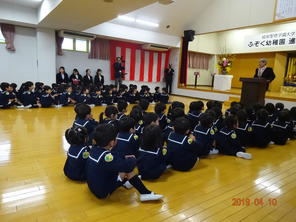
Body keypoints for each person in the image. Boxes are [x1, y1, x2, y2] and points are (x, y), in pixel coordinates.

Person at [85, 124, 163, 201]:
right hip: (102, 193)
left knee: (121, 164)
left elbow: (112, 159)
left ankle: (126, 183)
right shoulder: (106, 158)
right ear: (112, 143)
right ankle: (145, 193)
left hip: (93, 186)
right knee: (127, 169)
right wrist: (133, 159)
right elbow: (127, 166)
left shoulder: (95, 149)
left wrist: (124, 158)